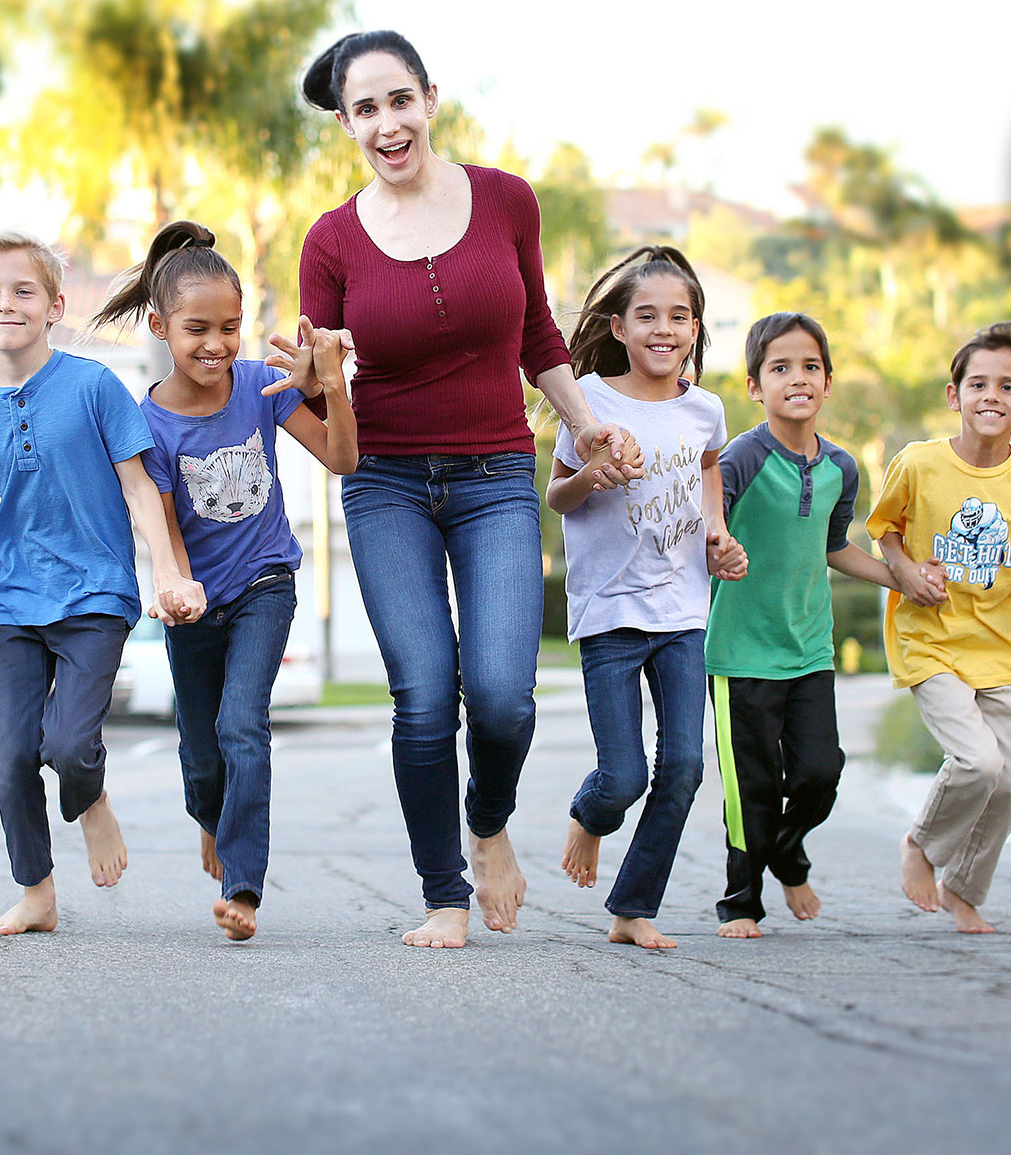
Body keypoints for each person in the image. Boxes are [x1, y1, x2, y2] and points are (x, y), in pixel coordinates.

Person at [298, 29, 641, 948]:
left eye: (398, 100)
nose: (386, 123)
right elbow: (321, 389)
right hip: (386, 484)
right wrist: (318, 377)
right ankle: (443, 892)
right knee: (423, 694)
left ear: (430, 98)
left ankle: (488, 821)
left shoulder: (505, 201)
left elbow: (536, 332)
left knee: (501, 697)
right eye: (364, 109)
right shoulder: (330, 242)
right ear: (346, 125)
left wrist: (583, 425)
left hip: (495, 473)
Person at [0, 230, 205, 936]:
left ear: (55, 305)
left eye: (23, 290)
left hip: (96, 591)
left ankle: (89, 798)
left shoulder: (94, 385)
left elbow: (139, 486)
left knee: (68, 744)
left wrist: (165, 569)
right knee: (7, 755)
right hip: (13, 600)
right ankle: (36, 893)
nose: (7, 303)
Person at [89, 220, 358, 941]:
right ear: (160, 326)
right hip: (193, 604)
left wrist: (331, 386)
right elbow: (165, 525)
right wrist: (175, 587)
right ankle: (211, 817)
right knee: (202, 757)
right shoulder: (150, 423)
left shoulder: (259, 385)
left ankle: (243, 886)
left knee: (243, 724)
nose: (216, 344)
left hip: (265, 585)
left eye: (230, 327)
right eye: (197, 329)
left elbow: (341, 459)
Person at [549, 246, 743, 950]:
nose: (665, 328)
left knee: (685, 766)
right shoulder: (590, 398)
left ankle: (632, 907)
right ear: (620, 326)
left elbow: (709, 466)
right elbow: (557, 495)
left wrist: (717, 531)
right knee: (624, 774)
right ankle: (590, 813)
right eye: (649, 315)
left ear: (696, 328)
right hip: (609, 611)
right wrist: (592, 474)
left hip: (683, 612)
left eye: (680, 316)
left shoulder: (706, 410)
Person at [866, 322, 1011, 934]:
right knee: (978, 762)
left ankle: (963, 886)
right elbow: (885, 530)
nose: (992, 396)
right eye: (977, 383)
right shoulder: (919, 463)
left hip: (998, 644)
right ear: (953, 395)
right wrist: (904, 574)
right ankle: (921, 847)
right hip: (929, 638)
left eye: (1007, 386)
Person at [708, 313, 899, 940]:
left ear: (827, 381)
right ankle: (742, 901)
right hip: (741, 655)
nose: (798, 378)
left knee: (821, 771)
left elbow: (833, 544)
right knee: (752, 789)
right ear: (755, 387)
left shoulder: (842, 466)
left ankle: (788, 851)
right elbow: (707, 528)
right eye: (780, 367)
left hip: (809, 650)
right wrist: (719, 548)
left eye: (810, 367)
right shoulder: (742, 456)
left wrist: (901, 580)